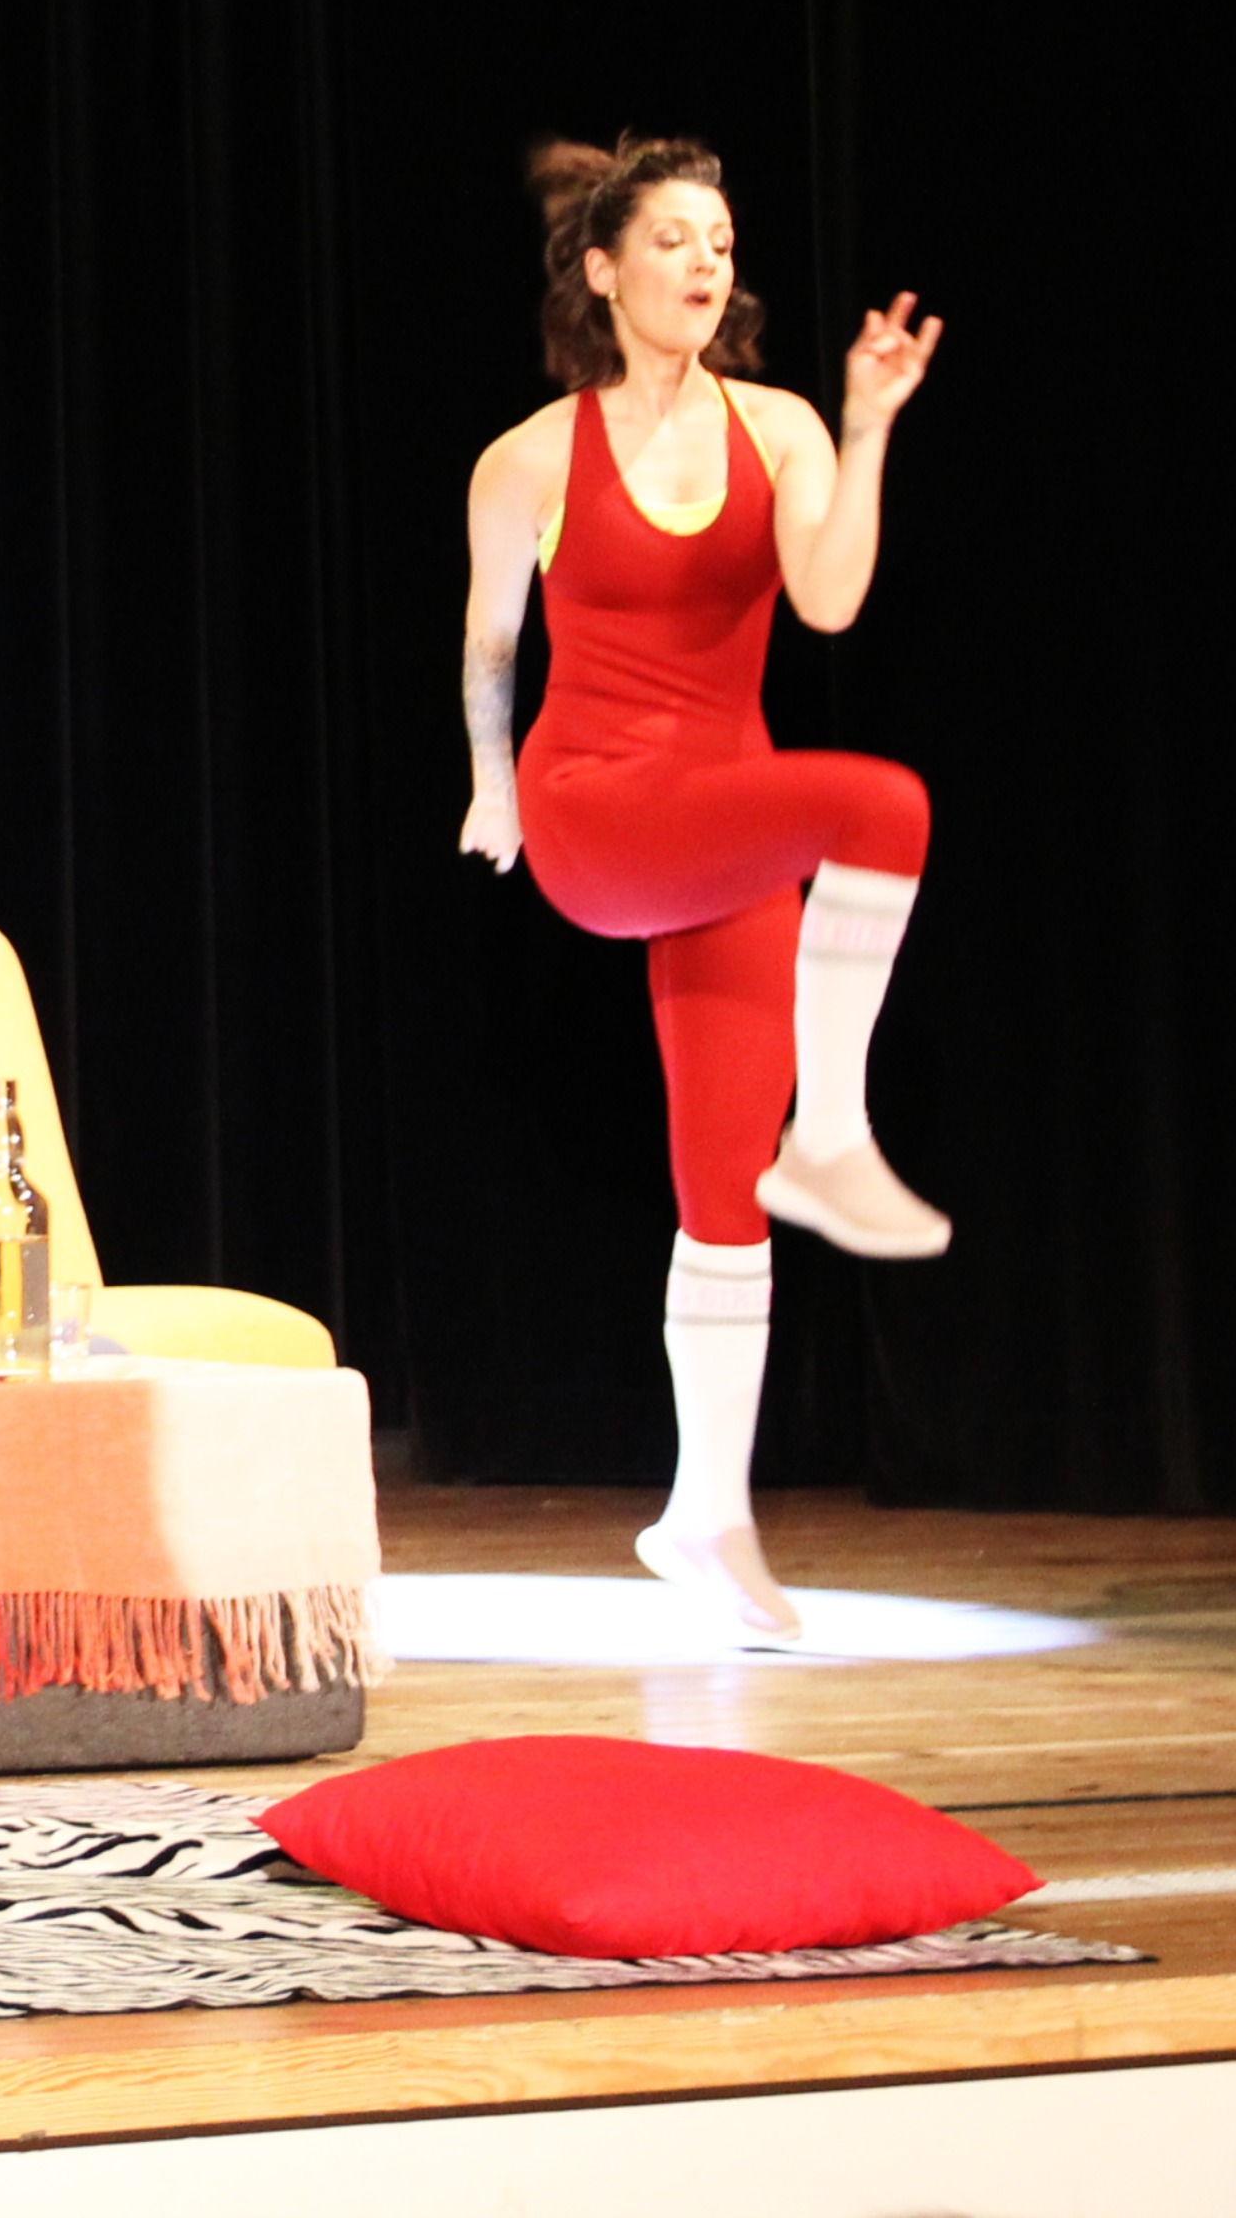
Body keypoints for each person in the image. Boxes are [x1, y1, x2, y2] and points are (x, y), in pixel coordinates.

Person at [456, 135, 945, 1647]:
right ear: (603, 270)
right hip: (598, 813)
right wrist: (488, 784)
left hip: (725, 828)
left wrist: (865, 427)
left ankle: (706, 1518)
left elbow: (829, 600)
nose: (705, 262)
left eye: (721, 242)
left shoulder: (779, 425)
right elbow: (490, 643)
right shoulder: (531, 456)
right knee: (881, 803)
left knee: (722, 1188)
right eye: (674, 238)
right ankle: (837, 1135)